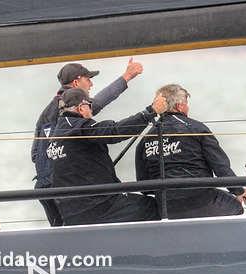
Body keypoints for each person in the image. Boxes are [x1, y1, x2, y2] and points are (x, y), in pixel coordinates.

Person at [33, 59, 144, 226]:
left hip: (45, 188)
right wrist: (126, 77)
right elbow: (100, 101)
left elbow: (35, 154)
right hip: (64, 188)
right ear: (77, 82)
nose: (91, 84)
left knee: (65, 238)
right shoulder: (73, 105)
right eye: (88, 79)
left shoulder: (45, 113)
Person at [50, 88, 167, 225]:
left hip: (69, 213)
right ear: (81, 108)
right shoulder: (80, 127)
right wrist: (150, 112)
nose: (92, 111)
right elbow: (114, 131)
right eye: (90, 106)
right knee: (155, 207)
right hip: (99, 206)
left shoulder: (55, 135)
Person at [134, 84, 246, 219]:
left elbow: (144, 186)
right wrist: (239, 191)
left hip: (167, 209)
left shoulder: (144, 140)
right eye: (186, 103)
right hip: (201, 202)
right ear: (180, 106)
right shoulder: (197, 128)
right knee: (235, 205)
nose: (187, 107)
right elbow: (221, 167)